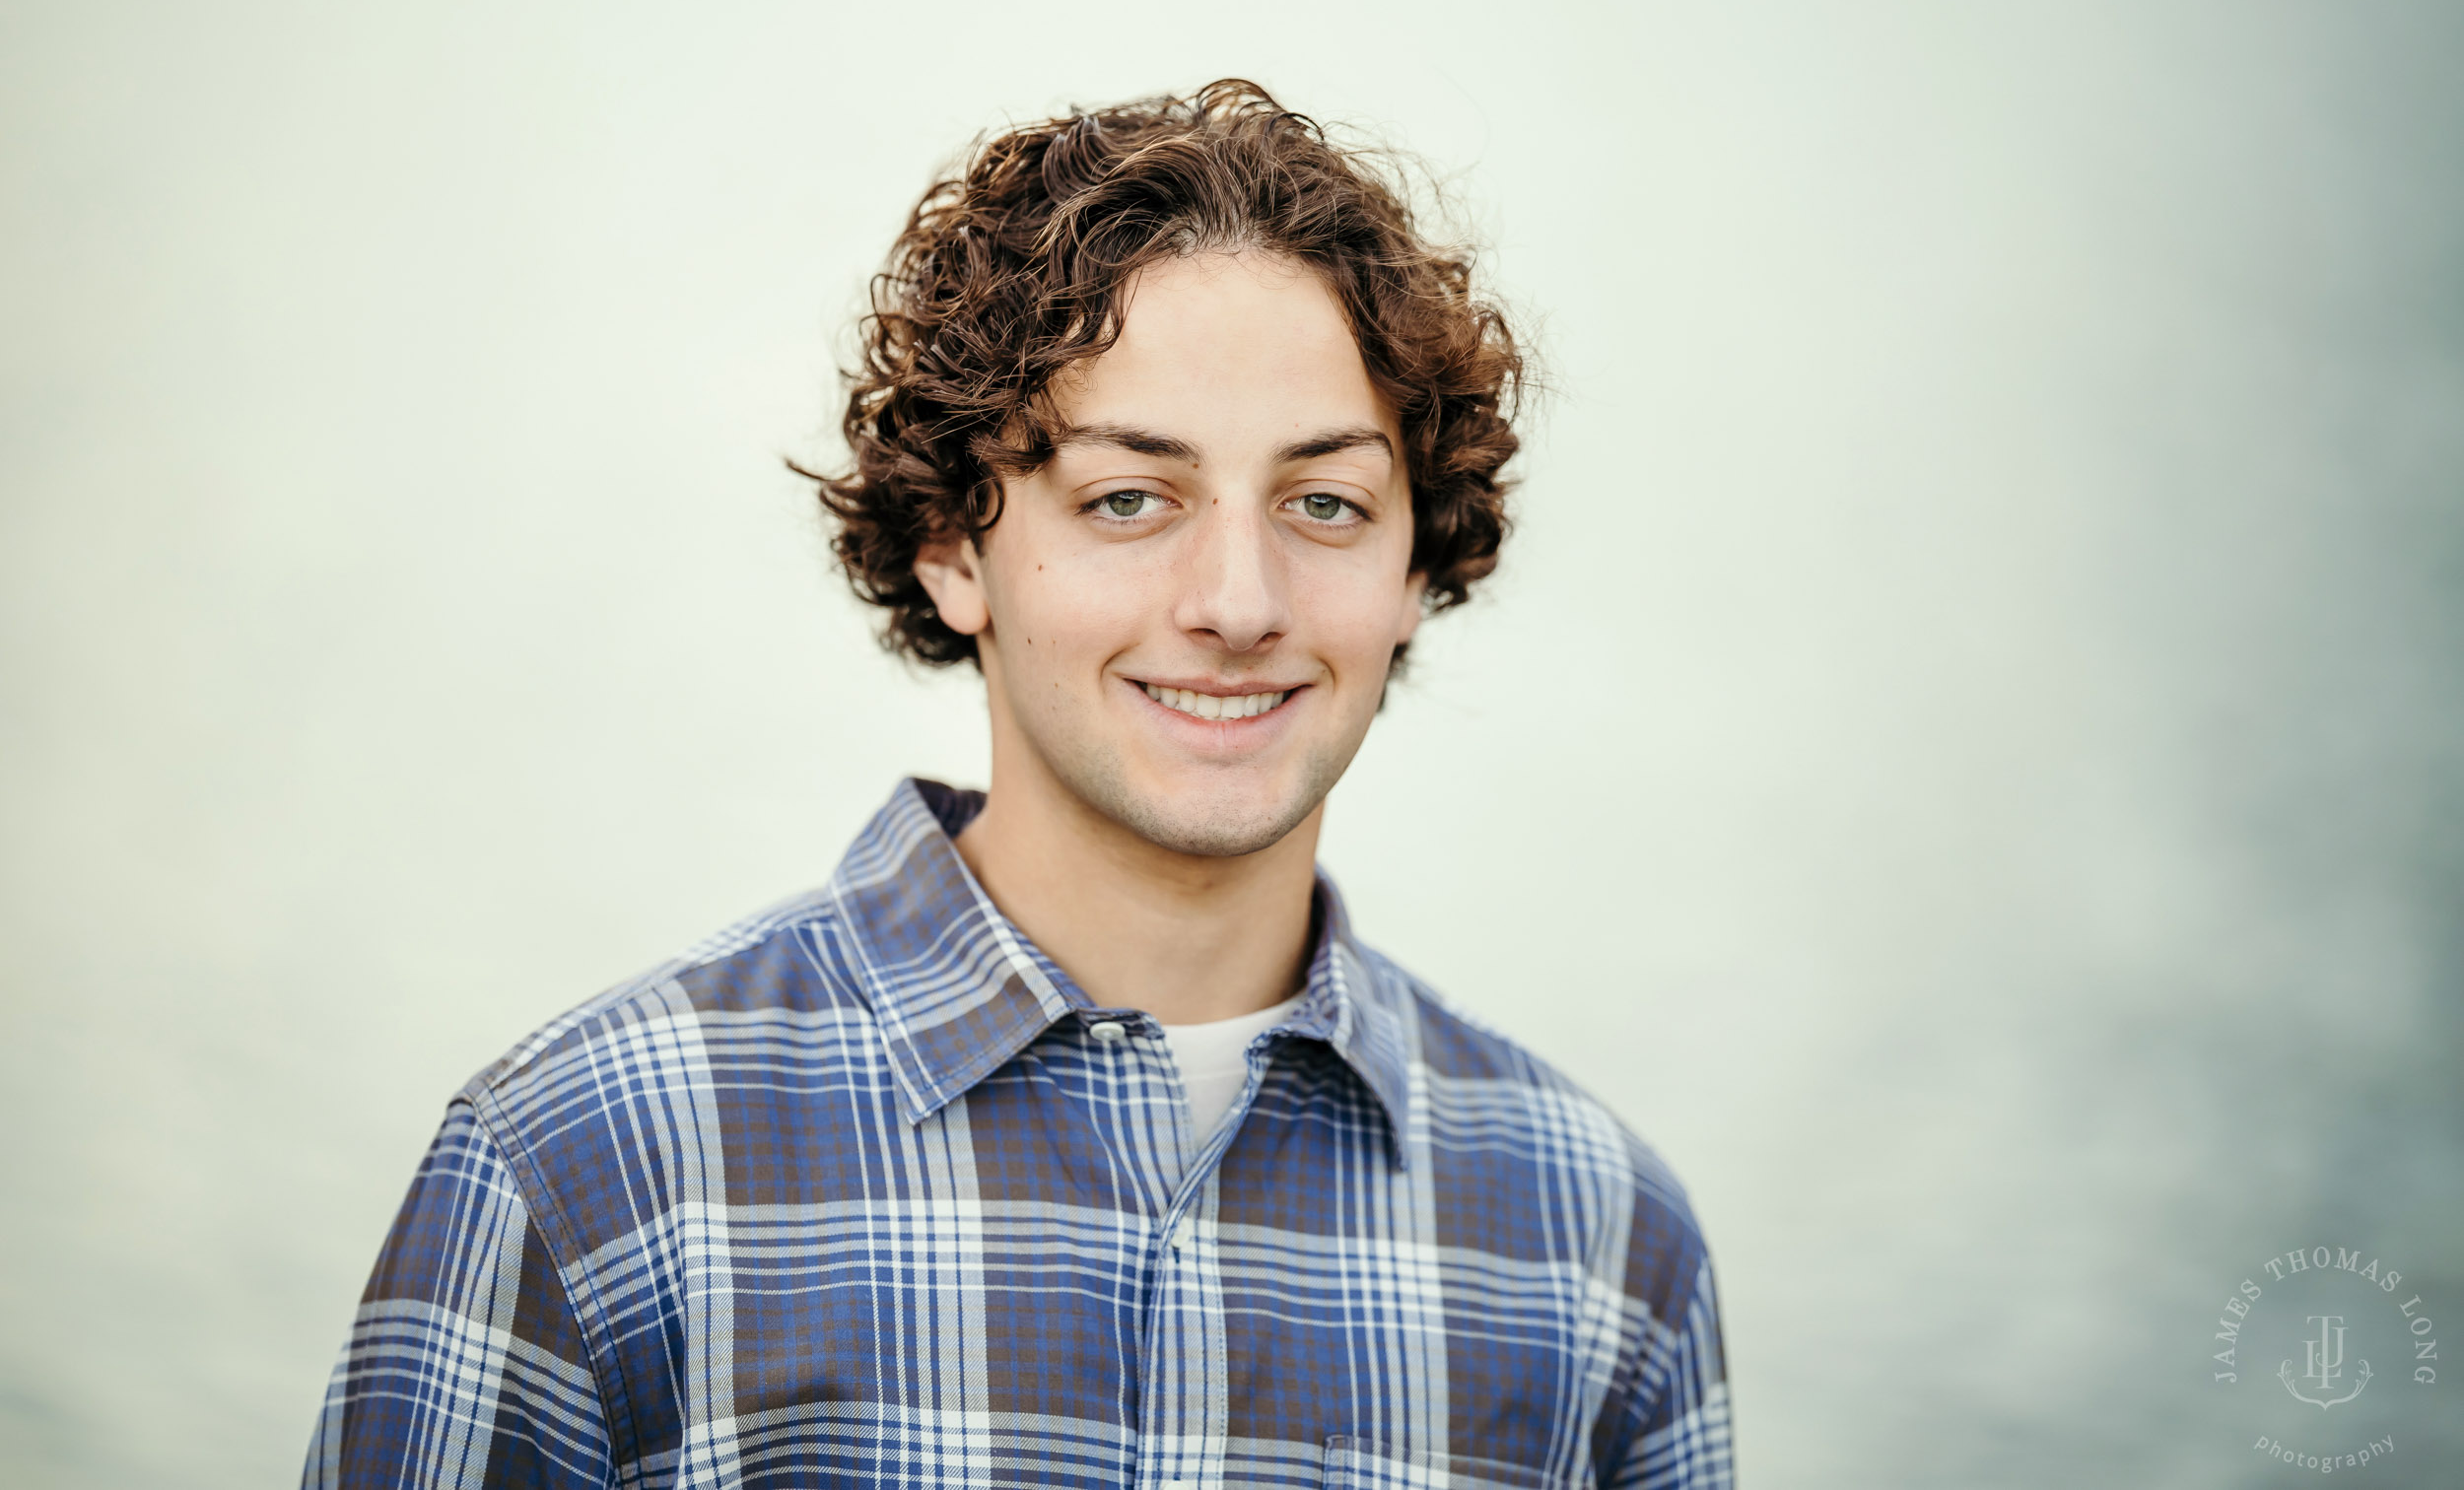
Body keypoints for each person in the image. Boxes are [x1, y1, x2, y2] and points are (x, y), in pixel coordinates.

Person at [305, 80, 1733, 1489]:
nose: (1239, 600)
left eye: (1325, 503)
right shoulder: (590, 1172)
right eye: (1129, 497)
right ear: (951, 547)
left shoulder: (1600, 1248)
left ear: (1415, 569)